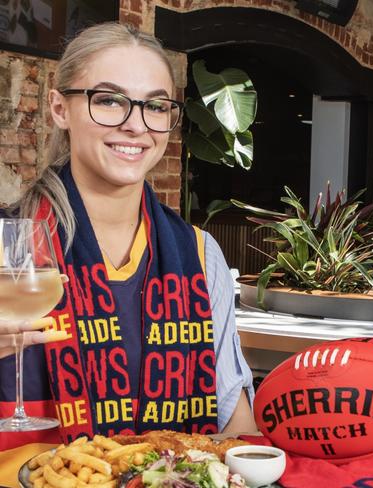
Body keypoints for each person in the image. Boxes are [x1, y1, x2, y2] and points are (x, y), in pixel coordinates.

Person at [0, 22, 256, 450]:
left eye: (155, 107)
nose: (136, 126)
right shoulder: (9, 245)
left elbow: (236, 423)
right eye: (109, 100)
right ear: (59, 108)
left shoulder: (199, 254)